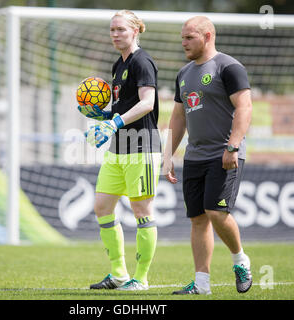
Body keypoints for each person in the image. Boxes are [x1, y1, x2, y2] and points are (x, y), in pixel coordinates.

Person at [162, 16, 253, 295]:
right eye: (182, 37)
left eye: (189, 37)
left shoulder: (229, 67)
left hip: (224, 153)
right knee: (198, 218)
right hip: (194, 157)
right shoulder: (183, 73)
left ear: (208, 36)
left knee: (216, 212)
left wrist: (233, 146)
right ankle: (201, 284)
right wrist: (168, 156)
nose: (184, 42)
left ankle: (240, 261)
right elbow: (178, 118)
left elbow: (245, 107)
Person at [78, 10, 161, 291]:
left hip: (142, 146)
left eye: (121, 30)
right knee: (102, 207)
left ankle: (142, 279)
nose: (115, 35)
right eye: (112, 30)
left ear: (135, 31)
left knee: (142, 211)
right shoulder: (118, 64)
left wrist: (114, 121)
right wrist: (102, 115)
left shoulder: (143, 61)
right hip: (118, 148)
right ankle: (119, 275)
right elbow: (123, 106)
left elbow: (147, 103)